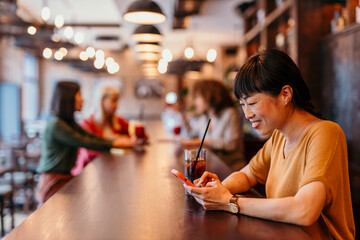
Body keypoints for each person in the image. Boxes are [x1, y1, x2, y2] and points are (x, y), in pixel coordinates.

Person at [183, 50, 355, 239]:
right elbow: (247, 175)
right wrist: (218, 189)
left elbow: (304, 211)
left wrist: (230, 201)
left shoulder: (326, 133)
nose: (247, 114)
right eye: (242, 104)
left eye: (252, 103)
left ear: (285, 94)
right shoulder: (278, 137)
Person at [36, 81, 135, 203]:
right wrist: (114, 143)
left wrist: (113, 142)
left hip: (65, 178)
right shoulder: (57, 124)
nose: (82, 100)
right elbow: (86, 142)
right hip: (53, 181)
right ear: (69, 98)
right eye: (79, 96)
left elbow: (91, 137)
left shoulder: (68, 123)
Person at [181, 79, 246, 170]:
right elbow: (191, 135)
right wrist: (184, 119)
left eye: (197, 97)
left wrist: (204, 142)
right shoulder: (205, 117)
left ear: (209, 96)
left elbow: (231, 144)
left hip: (230, 169)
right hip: (212, 167)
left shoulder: (229, 113)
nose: (195, 102)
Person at [71, 84, 132, 175]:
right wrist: (115, 143)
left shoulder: (118, 120)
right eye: (114, 101)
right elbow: (88, 153)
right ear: (102, 101)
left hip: (112, 168)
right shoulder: (87, 124)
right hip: (89, 173)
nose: (117, 104)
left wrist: (121, 139)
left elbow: (134, 136)